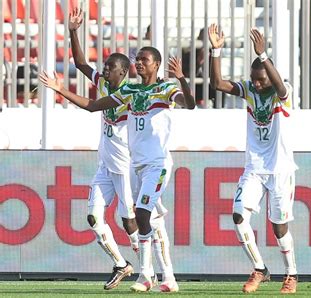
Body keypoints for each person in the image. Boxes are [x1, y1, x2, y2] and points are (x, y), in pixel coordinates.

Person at [39, 45, 196, 293]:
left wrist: (182, 79)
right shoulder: (130, 91)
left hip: (156, 164)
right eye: (139, 59)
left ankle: (147, 275)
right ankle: (166, 277)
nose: (140, 63)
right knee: (149, 220)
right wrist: (60, 90)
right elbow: (92, 106)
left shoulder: (166, 89)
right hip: (135, 165)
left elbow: (189, 104)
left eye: (145, 59)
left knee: (141, 216)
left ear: (156, 64)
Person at [208, 23, 298, 294]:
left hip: (280, 168)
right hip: (254, 167)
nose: (256, 84)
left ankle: (291, 273)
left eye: (261, 80)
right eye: (254, 79)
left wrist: (263, 56)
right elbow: (218, 84)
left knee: (278, 227)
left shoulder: (283, 94)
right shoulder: (249, 90)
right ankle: (259, 268)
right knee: (238, 216)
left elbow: (280, 86)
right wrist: (216, 51)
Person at [68, 8, 136, 290]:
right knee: (95, 217)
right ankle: (122, 265)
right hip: (106, 165)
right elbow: (82, 63)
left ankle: (151, 269)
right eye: (105, 66)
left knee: (131, 223)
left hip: (126, 166)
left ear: (122, 71)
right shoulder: (105, 83)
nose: (104, 69)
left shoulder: (128, 93)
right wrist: (73, 31)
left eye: (109, 67)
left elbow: (91, 106)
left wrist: (60, 89)